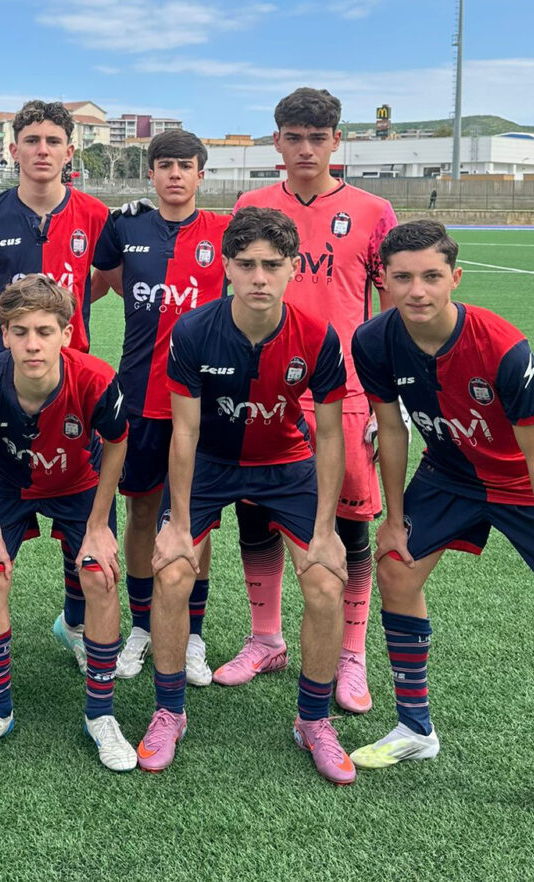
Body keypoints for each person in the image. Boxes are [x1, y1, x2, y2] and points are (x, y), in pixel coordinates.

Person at [350, 220, 534, 851]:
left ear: (455, 279)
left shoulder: (502, 346)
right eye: (403, 277)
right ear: (384, 280)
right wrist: (394, 517)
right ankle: (416, 729)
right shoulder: (373, 340)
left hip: (525, 478)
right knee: (396, 568)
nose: (417, 290)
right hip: (450, 472)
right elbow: (392, 429)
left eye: (431, 276)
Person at [138, 207, 353, 784]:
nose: (260, 277)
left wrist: (326, 530)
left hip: (284, 464)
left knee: (326, 581)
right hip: (210, 463)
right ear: (227, 267)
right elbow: (185, 433)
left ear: (293, 269)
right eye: (247, 264)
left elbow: (329, 435)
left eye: (272, 265)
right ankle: (169, 711)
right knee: (173, 573)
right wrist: (177, 524)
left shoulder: (318, 336)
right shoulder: (193, 331)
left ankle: (314, 720)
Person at [216, 88, 397, 715]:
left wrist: (388, 399)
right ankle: (265, 638)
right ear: (277, 141)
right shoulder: (251, 205)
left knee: (348, 526)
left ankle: (350, 653)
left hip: (342, 394)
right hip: (264, 391)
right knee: (256, 513)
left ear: (336, 141)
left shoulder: (373, 211)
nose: (305, 149)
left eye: (317, 138)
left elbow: (391, 314)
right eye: (294, 137)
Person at [0, 275, 133, 771]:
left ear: (65, 335)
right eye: (21, 331)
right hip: (6, 483)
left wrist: (98, 525)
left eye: (45, 332)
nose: (33, 344)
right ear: (4, 334)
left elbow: (117, 443)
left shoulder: (95, 379)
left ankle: (101, 716)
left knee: (100, 575)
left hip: (78, 481)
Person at [0, 100, 111, 674]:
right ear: (13, 148)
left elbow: (107, 279)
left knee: (77, 500)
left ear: (69, 151)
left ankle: (75, 623)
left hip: (70, 382)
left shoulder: (96, 214)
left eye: (52, 141)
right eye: (31, 140)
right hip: (3, 376)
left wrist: (61, 319)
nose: (42, 150)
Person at [90, 129, 230, 685]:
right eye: (165, 165)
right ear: (150, 173)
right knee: (143, 513)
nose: (175, 174)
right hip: (139, 395)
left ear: (200, 174)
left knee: (193, 518)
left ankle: (192, 635)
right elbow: (103, 281)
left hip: (200, 402)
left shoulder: (223, 231)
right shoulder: (126, 226)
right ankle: (143, 626)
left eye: (185, 166)